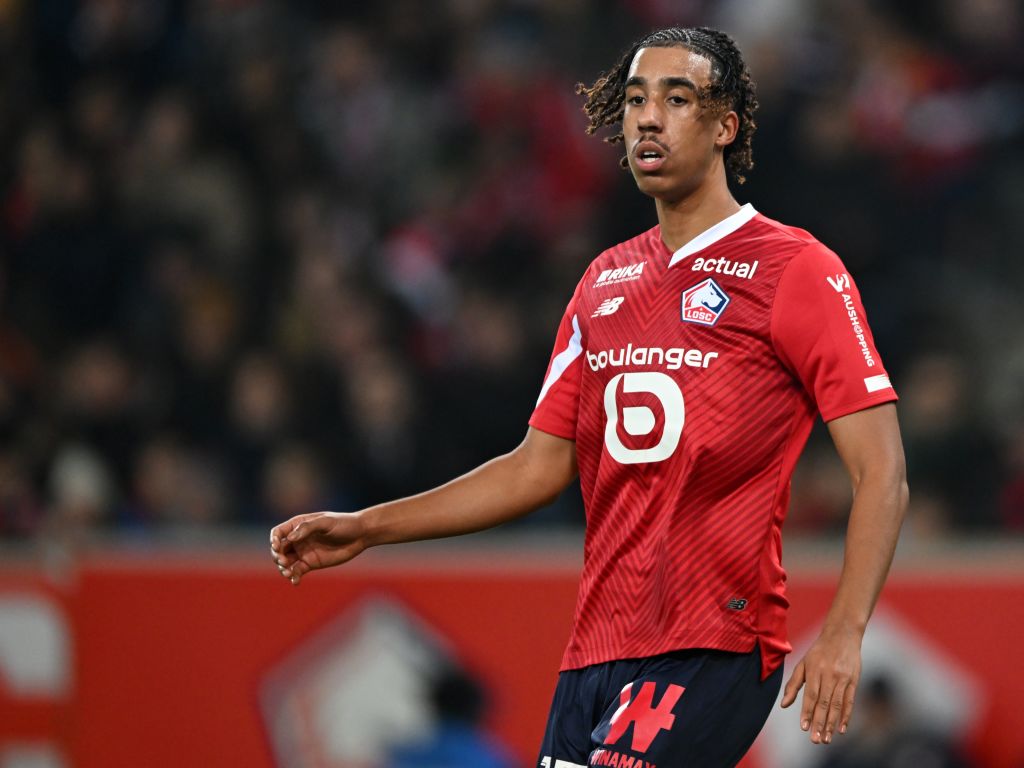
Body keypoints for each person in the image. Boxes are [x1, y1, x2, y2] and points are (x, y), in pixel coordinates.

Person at [270, 26, 908, 768]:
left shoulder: (794, 269)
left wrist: (844, 630)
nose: (647, 117)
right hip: (594, 655)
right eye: (636, 98)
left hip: (714, 643)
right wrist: (369, 527)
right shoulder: (604, 282)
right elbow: (534, 468)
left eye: (677, 98)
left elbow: (881, 472)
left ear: (725, 126)